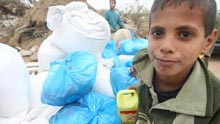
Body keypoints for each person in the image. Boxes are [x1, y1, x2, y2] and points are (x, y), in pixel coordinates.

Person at [131, 0, 220, 123]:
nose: (166, 47)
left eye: (185, 34)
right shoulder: (142, 62)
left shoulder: (215, 105)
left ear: (208, 42)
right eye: (158, 32)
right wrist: (140, 89)